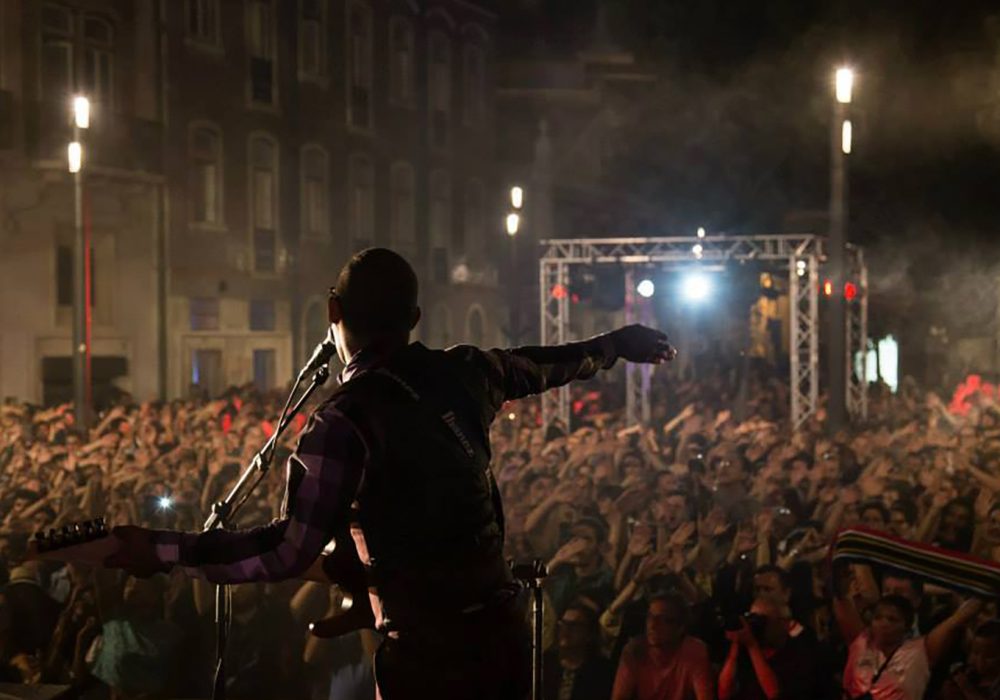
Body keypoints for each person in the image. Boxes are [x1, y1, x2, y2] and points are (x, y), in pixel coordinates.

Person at [105, 248, 677, 700]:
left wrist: (165, 551)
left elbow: (286, 551)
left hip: (427, 660)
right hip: (502, 639)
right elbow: (546, 365)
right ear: (415, 319)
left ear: (333, 311)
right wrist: (613, 346)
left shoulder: (341, 421)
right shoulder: (467, 372)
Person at [837, 592, 983, 700]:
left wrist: (987, 587)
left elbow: (957, 619)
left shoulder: (921, 651)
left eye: (892, 619)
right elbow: (839, 595)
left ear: (906, 627)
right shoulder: (860, 642)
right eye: (878, 618)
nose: (883, 623)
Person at [718, 597, 829, 700]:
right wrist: (736, 644)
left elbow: (775, 694)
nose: (757, 625)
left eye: (762, 620)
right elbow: (724, 693)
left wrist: (752, 647)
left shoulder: (798, 653)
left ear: (783, 623)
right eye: (752, 618)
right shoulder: (746, 651)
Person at [610, 593, 712, 700]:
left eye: (663, 620)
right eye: (650, 617)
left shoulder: (694, 651)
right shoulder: (634, 650)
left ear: (680, 628)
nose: (652, 625)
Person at [543, 600, 615, 700]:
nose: (566, 629)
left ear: (589, 633)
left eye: (574, 625)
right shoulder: (545, 663)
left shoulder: (600, 672)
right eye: (563, 623)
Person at [940, 620, 1000, 700]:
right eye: (975, 653)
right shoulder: (967, 673)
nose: (980, 661)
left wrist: (967, 689)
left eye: (990, 656)